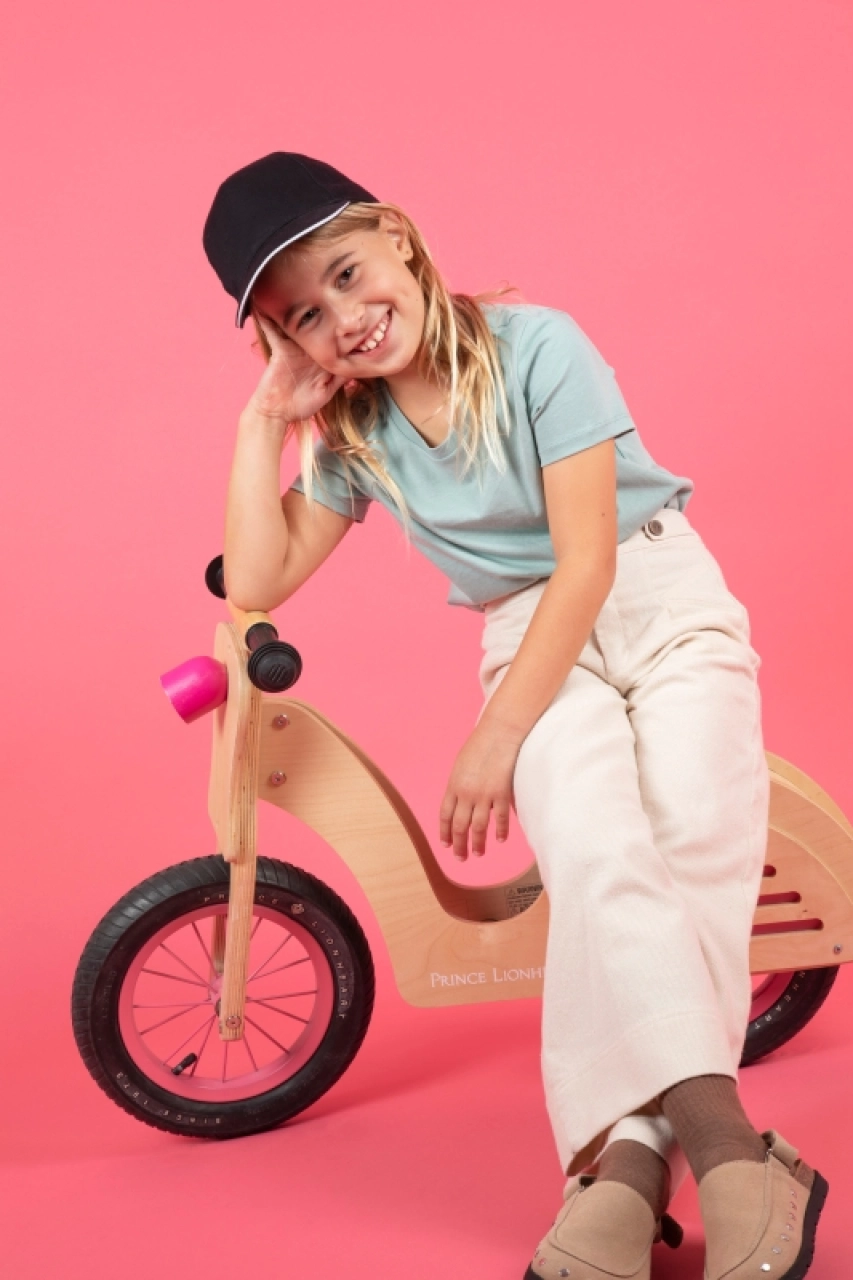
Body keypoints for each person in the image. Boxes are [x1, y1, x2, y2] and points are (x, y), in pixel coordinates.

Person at [202, 152, 829, 1280]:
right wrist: (263, 417)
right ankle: (730, 1153)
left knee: (693, 836)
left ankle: (621, 1166)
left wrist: (495, 736)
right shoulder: (354, 433)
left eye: (347, 274)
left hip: (652, 595)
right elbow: (258, 569)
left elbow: (585, 557)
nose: (343, 318)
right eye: (303, 316)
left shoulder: (537, 345)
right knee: (592, 845)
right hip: (525, 636)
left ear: (396, 235)